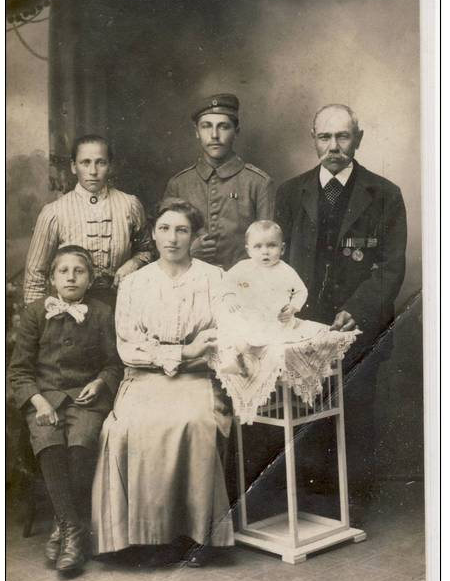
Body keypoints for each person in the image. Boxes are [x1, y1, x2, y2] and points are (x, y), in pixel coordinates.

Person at [275, 104, 407, 512]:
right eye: (325, 137)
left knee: (356, 405)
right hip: (304, 325)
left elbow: (390, 267)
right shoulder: (290, 192)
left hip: (359, 324)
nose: (333, 146)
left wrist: (358, 309)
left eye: (343, 137)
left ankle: (353, 497)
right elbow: (275, 263)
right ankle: (313, 496)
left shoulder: (384, 194)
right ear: (313, 139)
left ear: (358, 139)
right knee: (307, 405)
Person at [91, 198, 234, 567]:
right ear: (153, 233)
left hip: (198, 378)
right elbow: (129, 348)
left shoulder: (213, 277)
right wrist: (185, 351)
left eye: (182, 230)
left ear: (194, 236)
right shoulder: (135, 282)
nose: (172, 238)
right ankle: (139, 538)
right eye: (165, 229)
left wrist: (195, 355)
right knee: (126, 428)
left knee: (195, 423)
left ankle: (195, 536)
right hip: (145, 378)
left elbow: (221, 336)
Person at [9, 246, 122, 574]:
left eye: (79, 271)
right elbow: (19, 371)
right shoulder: (35, 313)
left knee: (81, 442)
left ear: (89, 279)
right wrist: (38, 400)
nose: (71, 277)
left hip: (87, 399)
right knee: (48, 440)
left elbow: (114, 363)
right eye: (64, 271)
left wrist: (101, 382)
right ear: (52, 279)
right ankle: (74, 529)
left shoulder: (101, 313)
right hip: (45, 399)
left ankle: (65, 527)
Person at [23, 135, 155, 306]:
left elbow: (148, 251)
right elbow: (35, 274)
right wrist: (38, 323)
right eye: (85, 162)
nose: (93, 171)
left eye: (101, 162)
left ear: (110, 166)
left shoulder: (130, 205)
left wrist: (134, 263)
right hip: (70, 311)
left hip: (121, 305)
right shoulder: (53, 212)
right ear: (73, 166)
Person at [164, 93, 273, 270]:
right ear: (196, 132)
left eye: (223, 127)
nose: (214, 135)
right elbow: (163, 243)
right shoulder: (178, 184)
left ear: (236, 131)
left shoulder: (259, 183)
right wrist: (187, 251)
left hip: (242, 286)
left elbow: (270, 246)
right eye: (206, 126)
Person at [218, 220, 308, 375]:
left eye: (271, 245)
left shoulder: (285, 271)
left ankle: (262, 365)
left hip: (276, 319)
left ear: (282, 248)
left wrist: (293, 307)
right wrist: (229, 296)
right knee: (230, 325)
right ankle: (233, 359)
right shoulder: (243, 267)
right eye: (258, 246)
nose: (265, 251)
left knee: (270, 342)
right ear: (248, 250)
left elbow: (301, 291)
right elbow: (226, 283)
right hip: (250, 315)